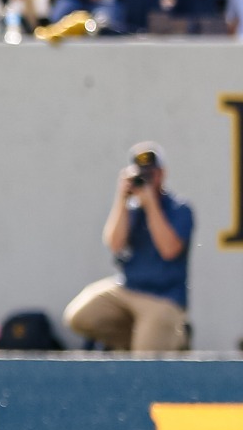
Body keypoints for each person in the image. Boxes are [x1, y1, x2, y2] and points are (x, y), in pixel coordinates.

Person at [63, 143, 192, 352]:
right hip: (128, 289)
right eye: (142, 174)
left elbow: (169, 249)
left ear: (162, 174)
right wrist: (121, 199)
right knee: (79, 316)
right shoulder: (132, 207)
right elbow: (114, 244)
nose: (147, 179)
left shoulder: (179, 209)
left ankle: (173, 335)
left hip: (163, 297)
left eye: (151, 173)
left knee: (143, 359)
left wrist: (151, 205)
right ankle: (138, 338)